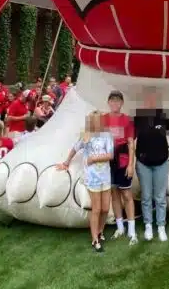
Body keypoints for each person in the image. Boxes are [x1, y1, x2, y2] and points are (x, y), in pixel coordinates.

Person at [57, 111, 113, 253]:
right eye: (94, 121)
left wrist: (94, 159)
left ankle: (100, 230)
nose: (97, 123)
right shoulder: (86, 136)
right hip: (92, 177)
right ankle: (95, 238)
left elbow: (110, 155)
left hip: (105, 176)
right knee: (97, 209)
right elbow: (74, 149)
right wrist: (66, 162)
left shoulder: (107, 135)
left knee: (106, 208)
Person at [134, 89, 169, 243]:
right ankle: (148, 225)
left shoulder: (163, 115)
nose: (151, 102)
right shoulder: (138, 117)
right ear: (144, 102)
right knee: (146, 197)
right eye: (148, 100)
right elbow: (128, 137)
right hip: (143, 163)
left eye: (154, 100)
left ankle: (161, 226)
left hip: (161, 162)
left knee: (160, 197)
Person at [103, 91, 136, 244]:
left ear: (122, 103)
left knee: (127, 195)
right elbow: (91, 137)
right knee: (114, 194)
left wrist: (131, 164)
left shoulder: (127, 120)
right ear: (108, 102)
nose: (115, 103)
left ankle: (131, 229)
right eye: (112, 100)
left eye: (118, 101)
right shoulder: (102, 119)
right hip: (107, 161)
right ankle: (120, 226)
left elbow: (131, 143)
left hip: (123, 161)